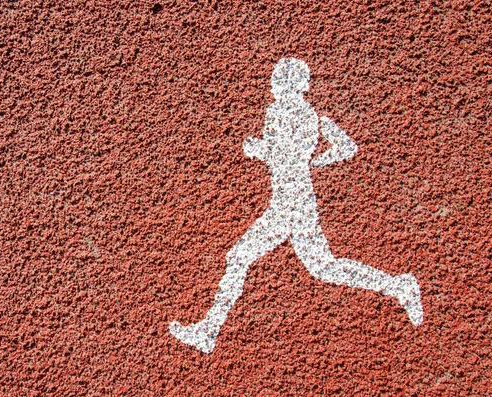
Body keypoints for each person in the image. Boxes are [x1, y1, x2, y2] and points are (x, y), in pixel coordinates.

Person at [169, 58, 424, 354]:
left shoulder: (280, 110)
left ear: (283, 84)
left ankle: (208, 331)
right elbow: (345, 147)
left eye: (278, 79)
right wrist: (317, 160)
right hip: (297, 198)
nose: (275, 84)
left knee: (242, 257)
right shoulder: (311, 114)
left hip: (289, 201)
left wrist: (258, 150)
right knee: (323, 267)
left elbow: (283, 154)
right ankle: (399, 286)